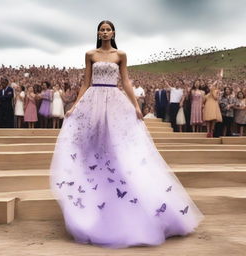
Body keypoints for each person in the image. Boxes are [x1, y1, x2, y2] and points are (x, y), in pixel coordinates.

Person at [49, 20, 204, 249]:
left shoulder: (120, 54)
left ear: (113, 32)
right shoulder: (90, 54)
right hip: (93, 101)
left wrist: (137, 106)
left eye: (108, 29)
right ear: (98, 33)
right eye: (101, 29)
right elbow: (85, 83)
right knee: (94, 148)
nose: (104, 32)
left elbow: (126, 82)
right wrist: (74, 106)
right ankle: (96, 200)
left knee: (118, 148)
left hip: (114, 101)